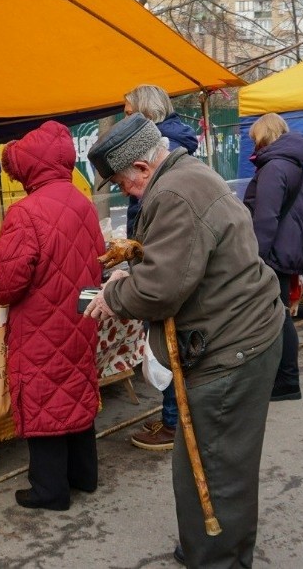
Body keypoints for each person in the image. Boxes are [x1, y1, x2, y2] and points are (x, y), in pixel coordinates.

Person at [84, 113, 285, 568]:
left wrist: (117, 290)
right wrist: (134, 269)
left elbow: (159, 289)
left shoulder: (174, 192)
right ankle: (207, 545)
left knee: (216, 465)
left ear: (140, 167)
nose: (125, 191)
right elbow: (179, 262)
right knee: (215, 461)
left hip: (230, 346)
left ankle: (218, 557)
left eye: (123, 182)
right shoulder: (187, 174)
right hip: (238, 335)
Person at [0, 120, 105, 511]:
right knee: (75, 387)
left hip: (41, 323)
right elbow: (98, 259)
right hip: (82, 313)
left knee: (45, 395)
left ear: (30, 168)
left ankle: (50, 491)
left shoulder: (26, 212)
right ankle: (84, 476)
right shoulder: (82, 202)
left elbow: (3, 286)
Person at [123, 84, 199, 451]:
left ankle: (174, 422)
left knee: (167, 339)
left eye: (127, 112)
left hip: (157, 256)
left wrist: (133, 268)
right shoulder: (179, 147)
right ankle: (177, 416)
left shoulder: (159, 156)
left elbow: (160, 283)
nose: (124, 119)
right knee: (171, 341)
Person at [242, 113, 303, 401]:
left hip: (275, 252)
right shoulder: (291, 161)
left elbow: (266, 218)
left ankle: (286, 381)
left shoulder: (275, 166)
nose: (254, 145)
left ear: (263, 137)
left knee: (278, 315)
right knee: (280, 313)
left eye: (255, 140)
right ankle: (284, 378)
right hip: (287, 248)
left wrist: (255, 258)